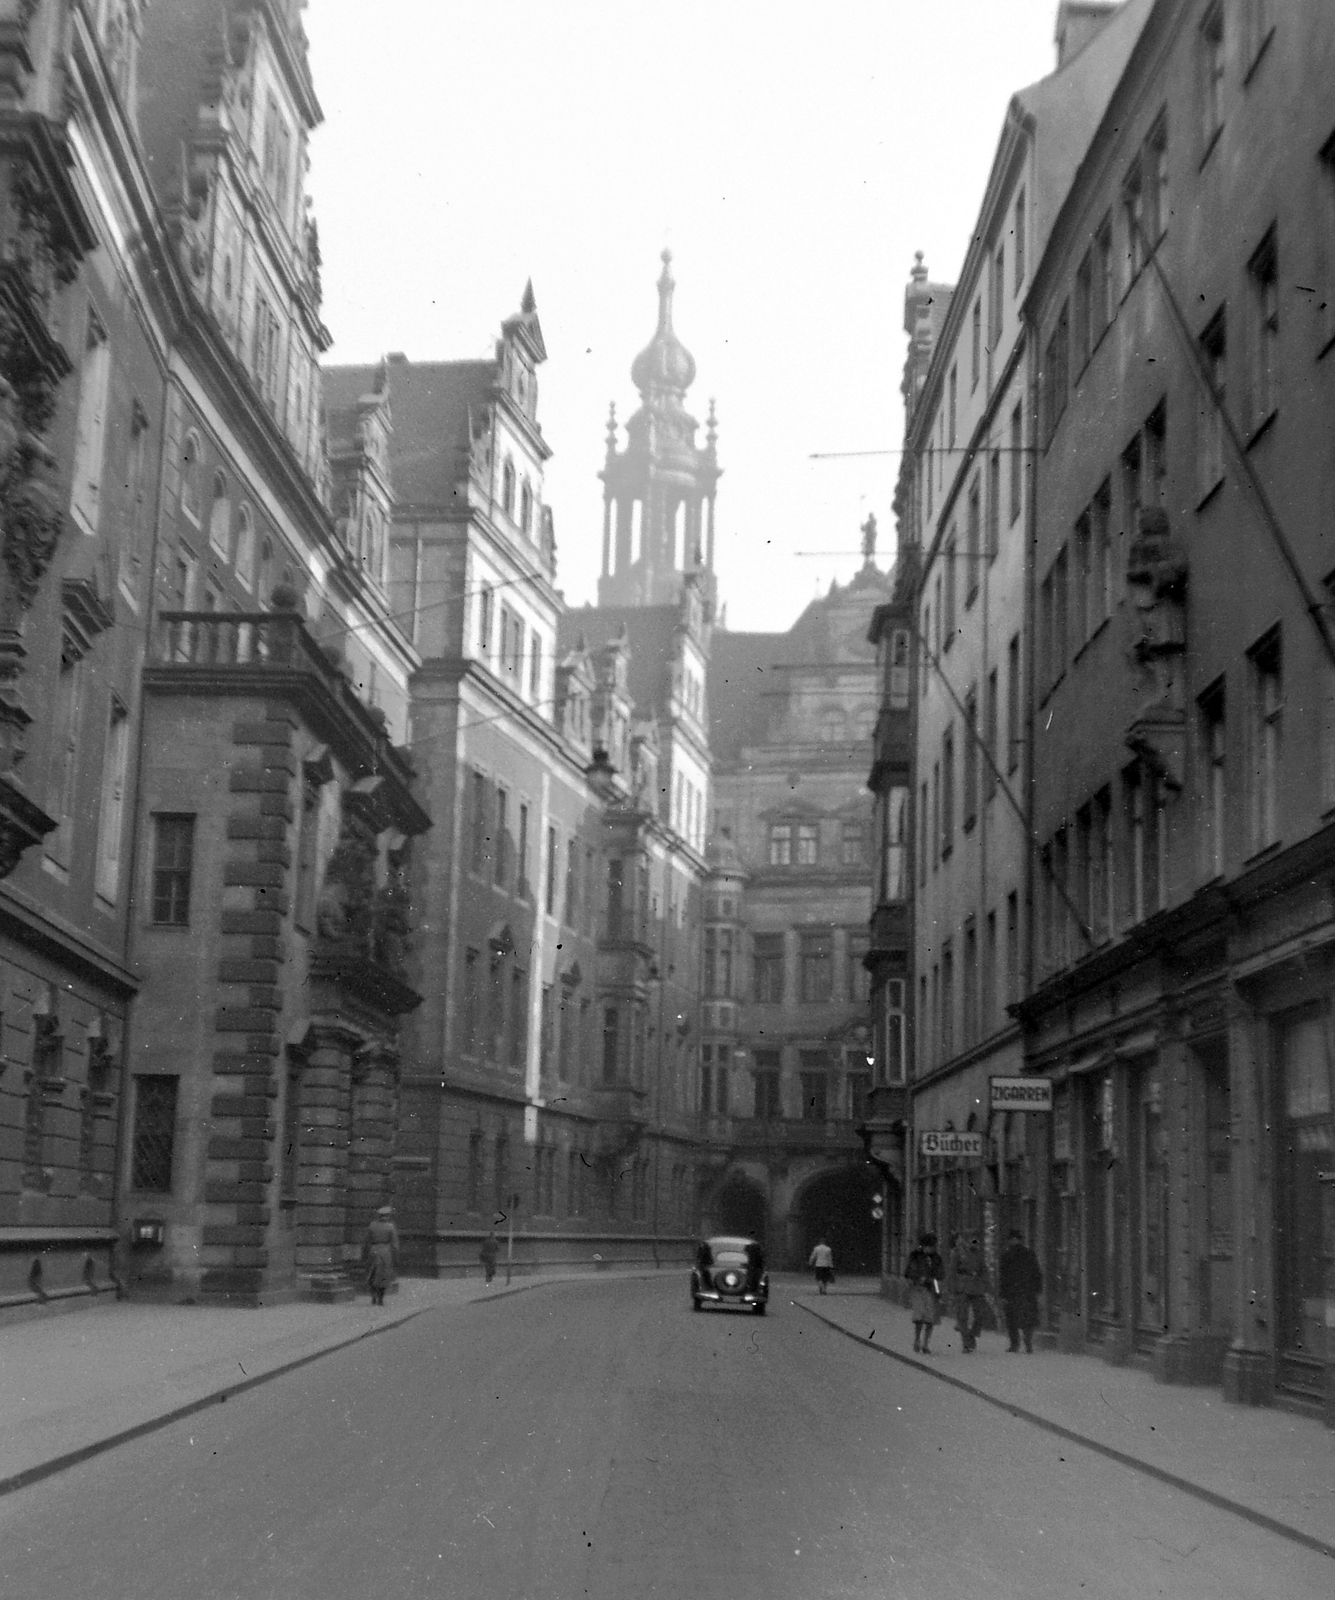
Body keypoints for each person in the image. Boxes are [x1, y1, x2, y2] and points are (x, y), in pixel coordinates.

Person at [998, 1228, 1043, 1353]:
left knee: (1011, 1318)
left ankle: (1015, 1344)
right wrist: (1038, 1289)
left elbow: (1003, 1277)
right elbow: (1037, 1273)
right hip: (1028, 1291)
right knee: (1028, 1318)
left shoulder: (1006, 1256)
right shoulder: (1030, 1254)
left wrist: (1003, 1294)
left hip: (1012, 1292)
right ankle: (1028, 1341)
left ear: (1012, 1240)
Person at [904, 1230, 944, 1353]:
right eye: (930, 1246)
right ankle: (917, 1340)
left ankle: (926, 1344)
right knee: (919, 1315)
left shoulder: (936, 1257)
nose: (931, 1249)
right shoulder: (915, 1255)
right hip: (918, 1288)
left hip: (931, 1289)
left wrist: (934, 1280)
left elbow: (941, 1274)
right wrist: (918, 1278)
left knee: (930, 1318)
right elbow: (908, 1272)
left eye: (933, 1246)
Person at [948, 1232, 987, 1352]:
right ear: (966, 1240)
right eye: (971, 1239)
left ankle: (972, 1334)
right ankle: (966, 1343)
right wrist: (952, 1289)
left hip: (976, 1287)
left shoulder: (979, 1253)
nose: (974, 1242)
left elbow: (983, 1269)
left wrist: (984, 1281)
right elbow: (952, 1271)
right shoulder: (957, 1253)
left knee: (980, 1314)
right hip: (962, 1286)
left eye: (975, 1240)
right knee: (962, 1316)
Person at [362, 1204, 399, 1307]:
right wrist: (396, 1257)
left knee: (371, 1274)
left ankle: (373, 1296)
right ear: (387, 1215)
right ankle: (380, 1299)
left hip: (373, 1251)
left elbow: (366, 1241)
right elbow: (395, 1245)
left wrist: (364, 1254)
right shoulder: (390, 1227)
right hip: (385, 1252)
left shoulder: (372, 1225)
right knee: (384, 1275)